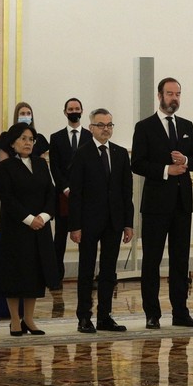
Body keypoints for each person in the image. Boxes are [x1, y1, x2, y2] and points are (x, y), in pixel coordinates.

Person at [131, 77, 193, 328]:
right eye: (170, 93)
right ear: (160, 96)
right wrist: (165, 170)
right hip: (155, 205)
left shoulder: (187, 125)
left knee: (180, 260)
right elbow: (137, 163)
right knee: (151, 260)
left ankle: (180, 312)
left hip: (182, 204)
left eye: (178, 94)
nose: (175, 98)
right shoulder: (145, 127)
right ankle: (152, 313)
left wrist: (185, 160)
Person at [69, 108, 133, 334]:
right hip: (88, 222)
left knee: (109, 272)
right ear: (91, 128)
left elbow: (127, 191)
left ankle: (105, 316)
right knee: (86, 270)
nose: (106, 129)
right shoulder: (82, 153)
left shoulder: (120, 153)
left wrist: (128, 223)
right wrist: (74, 226)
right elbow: (75, 193)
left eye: (109, 125)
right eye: (101, 125)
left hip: (114, 222)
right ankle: (84, 317)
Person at [0, 123, 57, 335]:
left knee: (34, 274)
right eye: (23, 138)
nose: (28, 142)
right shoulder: (6, 167)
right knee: (15, 274)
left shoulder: (41, 164)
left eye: (31, 139)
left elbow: (51, 194)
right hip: (17, 228)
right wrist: (30, 219)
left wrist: (44, 216)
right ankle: (14, 320)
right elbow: (8, 198)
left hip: (40, 227)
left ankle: (29, 319)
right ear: (13, 143)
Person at [46, 96, 87, 297]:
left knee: (86, 239)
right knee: (59, 239)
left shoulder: (90, 136)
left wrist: (78, 189)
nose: (73, 111)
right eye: (70, 108)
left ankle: (86, 277)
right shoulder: (56, 137)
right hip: (62, 195)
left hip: (85, 196)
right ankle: (56, 277)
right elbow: (54, 166)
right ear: (65, 112)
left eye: (77, 108)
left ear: (82, 111)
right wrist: (65, 187)